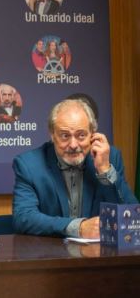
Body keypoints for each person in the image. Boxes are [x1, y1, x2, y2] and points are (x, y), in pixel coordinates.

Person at [12, 99, 137, 238]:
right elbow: (23, 218)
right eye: (65, 136)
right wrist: (79, 227)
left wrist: (105, 170)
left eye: (81, 135)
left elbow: (131, 217)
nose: (73, 144)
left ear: (93, 134)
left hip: (100, 255)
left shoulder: (109, 158)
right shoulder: (29, 164)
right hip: (49, 254)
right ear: (52, 135)